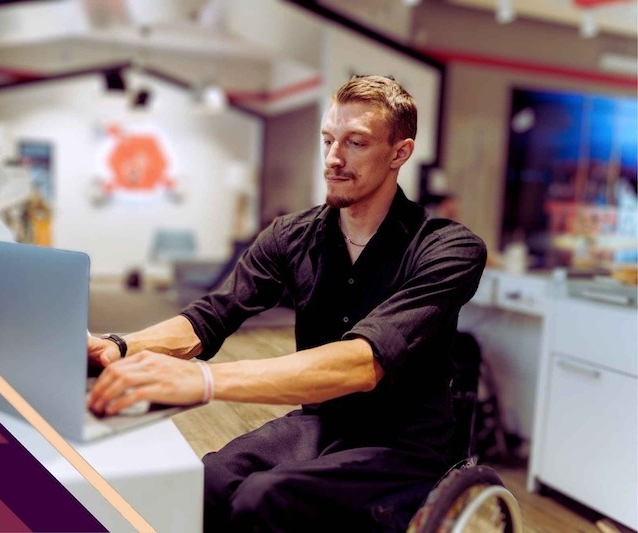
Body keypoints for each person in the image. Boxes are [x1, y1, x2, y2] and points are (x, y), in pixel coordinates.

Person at [87, 75, 487, 532]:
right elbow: (211, 317)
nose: (334, 158)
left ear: (400, 152)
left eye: (355, 143)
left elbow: (362, 363)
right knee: (209, 481)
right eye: (328, 140)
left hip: (404, 444)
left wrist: (202, 381)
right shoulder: (291, 236)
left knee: (266, 500)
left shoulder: (448, 249)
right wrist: (119, 346)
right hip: (323, 422)